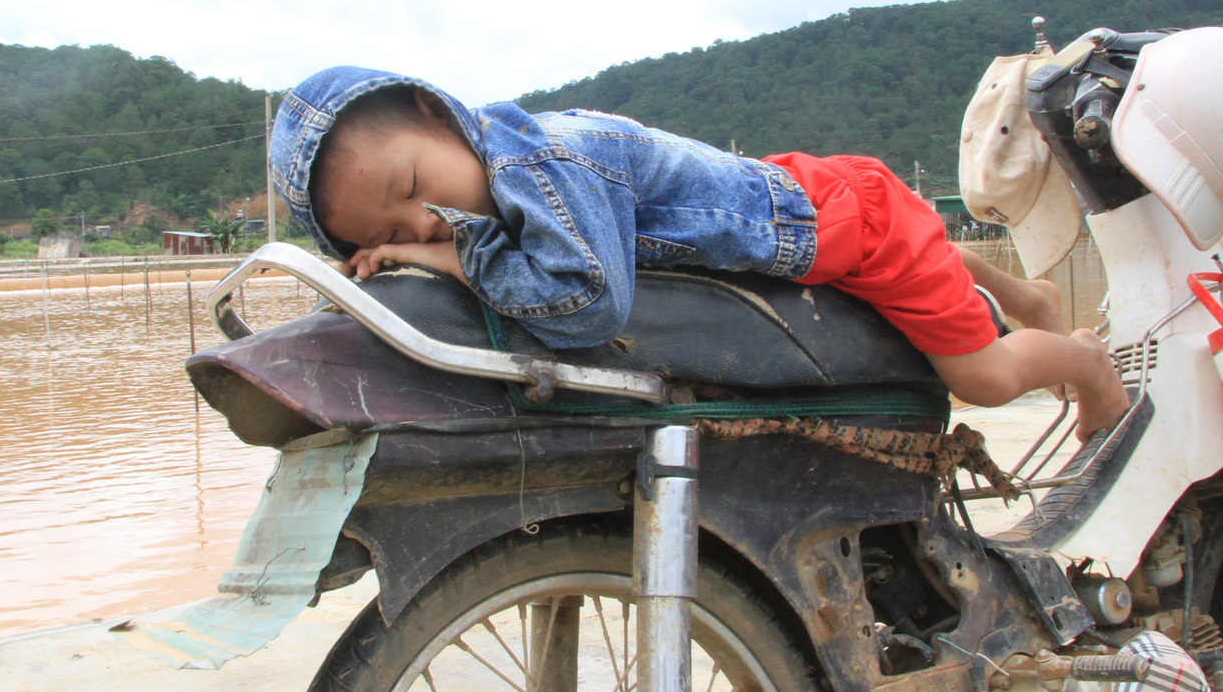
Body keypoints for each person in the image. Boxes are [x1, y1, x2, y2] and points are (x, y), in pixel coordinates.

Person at [269, 67, 1129, 440]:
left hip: (837, 229)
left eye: (414, 182)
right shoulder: (504, 182)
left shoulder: (545, 160)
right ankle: (1026, 295)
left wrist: (449, 263)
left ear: (436, 111)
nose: (424, 220)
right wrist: (434, 252)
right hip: (821, 201)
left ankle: (1081, 361)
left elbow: (588, 300)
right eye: (390, 233)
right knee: (913, 241)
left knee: (977, 378)